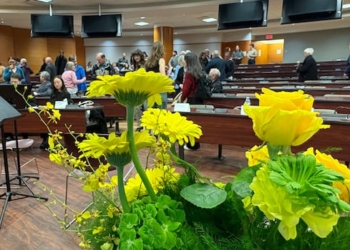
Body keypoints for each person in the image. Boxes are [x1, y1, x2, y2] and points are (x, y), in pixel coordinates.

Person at [180, 52, 202, 150]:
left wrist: (181, 99)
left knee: (190, 122)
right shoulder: (200, 70)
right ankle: (197, 143)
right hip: (200, 99)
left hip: (192, 99)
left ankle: (191, 144)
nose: (184, 61)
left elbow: (186, 89)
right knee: (198, 122)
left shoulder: (189, 73)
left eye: (185, 59)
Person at [145, 41, 167, 109]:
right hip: (159, 88)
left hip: (150, 89)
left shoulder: (148, 61)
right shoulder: (161, 60)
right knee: (161, 111)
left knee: (151, 111)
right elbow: (163, 75)